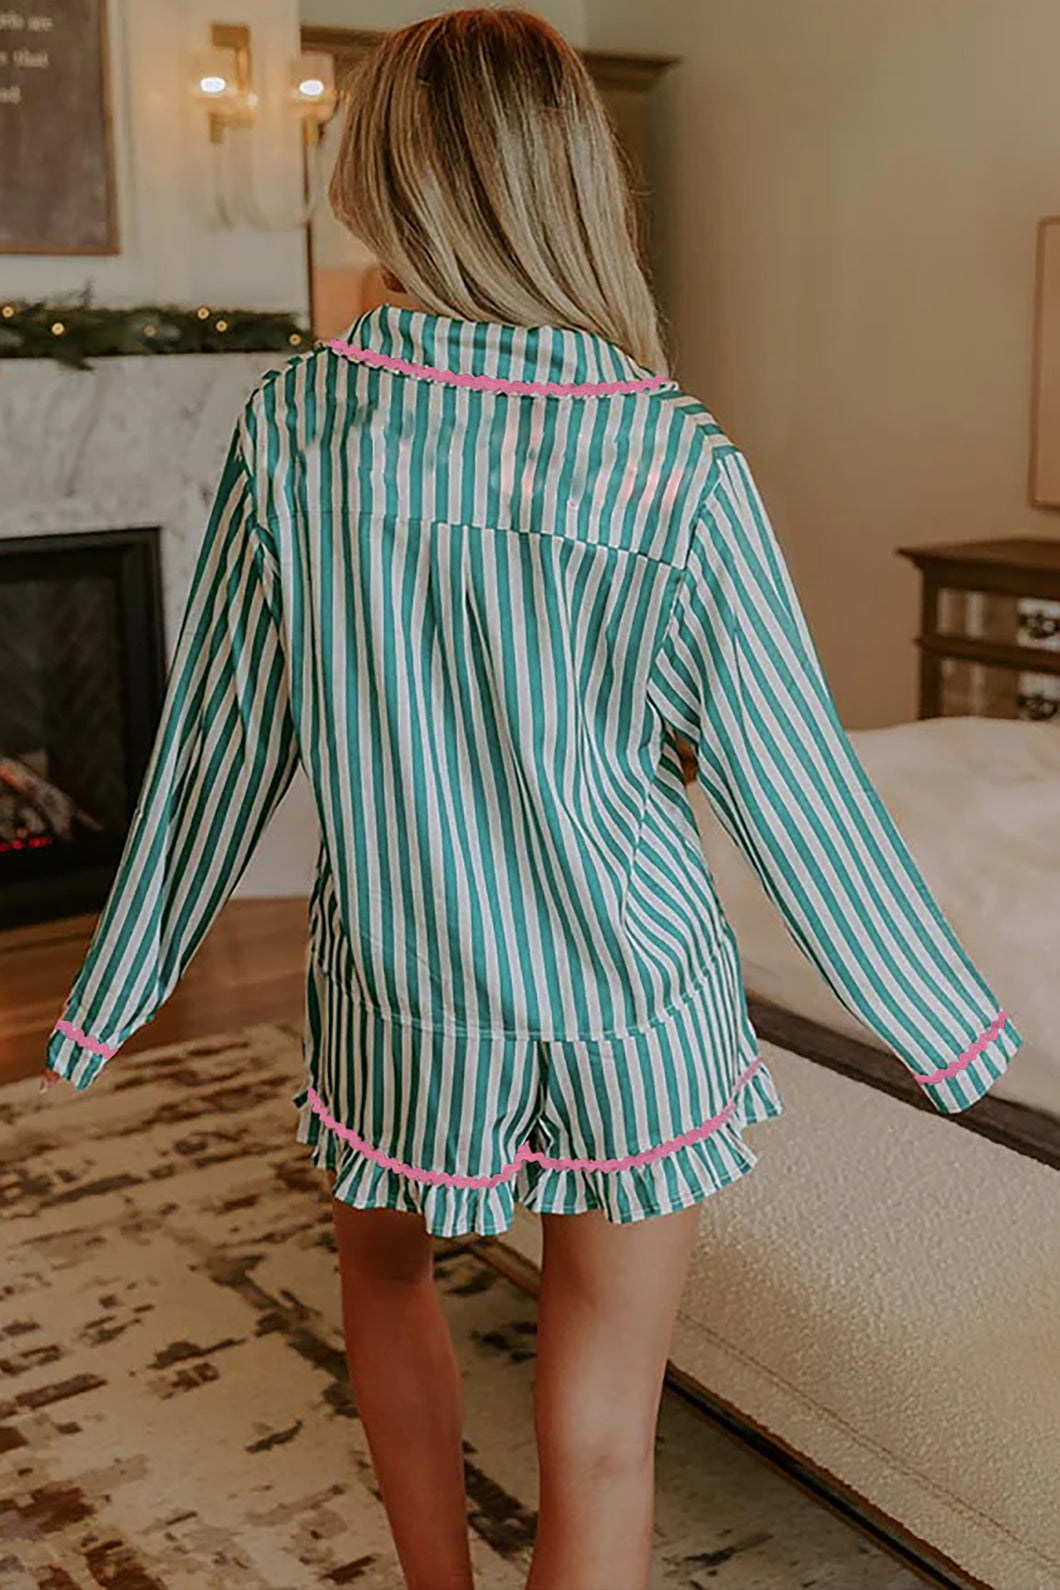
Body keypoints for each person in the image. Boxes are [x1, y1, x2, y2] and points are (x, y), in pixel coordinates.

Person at [41, 9, 1023, 1589]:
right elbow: (797, 783)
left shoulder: (302, 426)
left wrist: (116, 989)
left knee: (386, 1288)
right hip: (634, 994)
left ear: (387, 176)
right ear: (572, 179)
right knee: (606, 1432)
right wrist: (947, 1025)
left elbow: (217, 744)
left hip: (401, 986)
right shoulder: (672, 457)